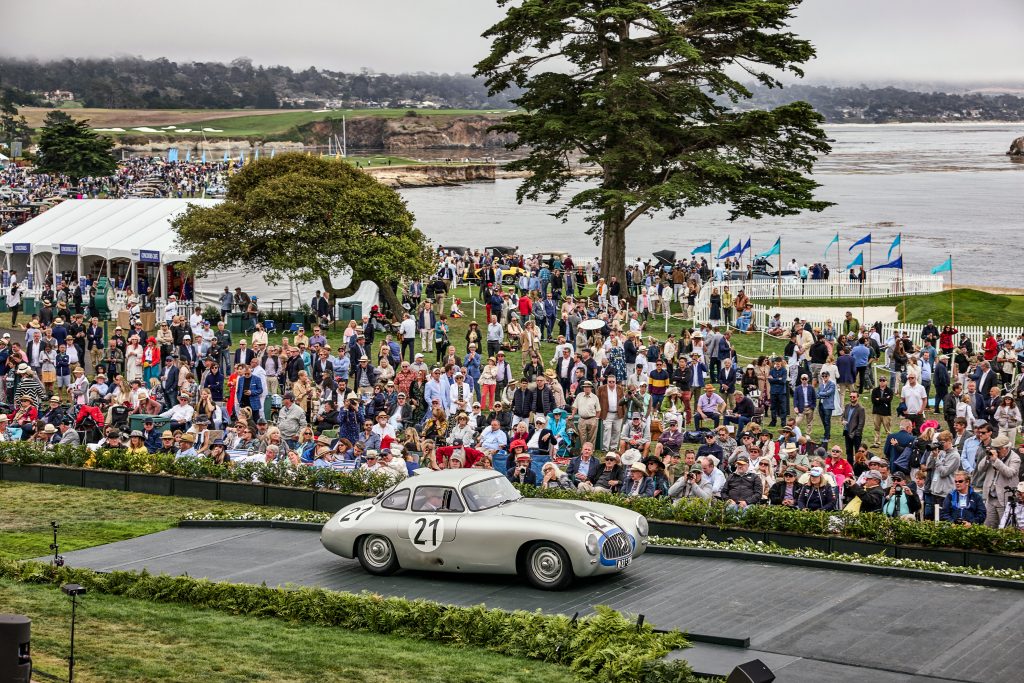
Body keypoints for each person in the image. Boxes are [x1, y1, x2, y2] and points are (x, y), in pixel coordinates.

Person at [972, 434, 1021, 528]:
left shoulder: (1015, 458)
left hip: (1004, 498)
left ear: (1005, 448)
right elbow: (980, 469)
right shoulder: (993, 454)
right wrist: (987, 457)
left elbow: (1009, 473)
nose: (996, 451)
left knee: (1004, 528)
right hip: (990, 498)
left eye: (998, 448)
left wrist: (996, 461)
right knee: (988, 526)